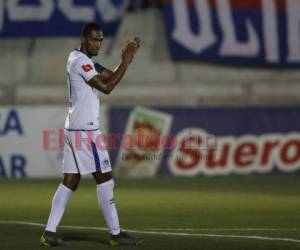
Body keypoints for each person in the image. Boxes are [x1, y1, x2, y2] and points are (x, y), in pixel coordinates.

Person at [40, 22, 141, 247]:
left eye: (101, 40)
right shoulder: (80, 62)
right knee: (105, 180)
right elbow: (107, 87)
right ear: (83, 38)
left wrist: (125, 62)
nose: (98, 43)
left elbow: (109, 76)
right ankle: (115, 234)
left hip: (74, 128)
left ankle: (49, 232)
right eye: (94, 39)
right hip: (85, 131)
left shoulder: (82, 60)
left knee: (70, 181)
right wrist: (125, 62)